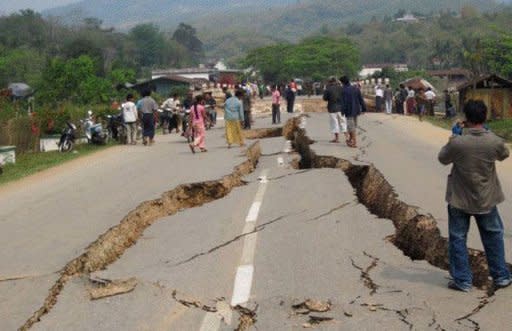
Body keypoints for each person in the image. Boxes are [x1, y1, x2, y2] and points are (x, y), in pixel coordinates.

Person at [438, 100, 511, 292]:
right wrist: (487, 132)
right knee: (493, 236)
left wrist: (454, 137)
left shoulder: (458, 142)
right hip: (486, 199)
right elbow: (504, 154)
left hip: (459, 199)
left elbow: (442, 159)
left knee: (458, 238)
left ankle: (462, 280)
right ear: (484, 116)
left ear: (465, 118)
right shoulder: (493, 141)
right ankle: (501, 276)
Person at [340, 76, 366, 148]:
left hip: (349, 111)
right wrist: (364, 108)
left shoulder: (343, 90)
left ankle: (354, 142)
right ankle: (350, 139)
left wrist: (342, 111)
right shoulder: (356, 88)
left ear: (342, 82)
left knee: (351, 127)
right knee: (353, 126)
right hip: (356, 110)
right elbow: (361, 99)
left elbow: (343, 102)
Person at [323, 77, 347, 143]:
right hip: (341, 108)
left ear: (329, 82)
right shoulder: (341, 88)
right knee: (343, 122)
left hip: (332, 108)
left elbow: (325, 98)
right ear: (336, 81)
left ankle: (337, 138)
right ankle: (347, 137)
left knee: (334, 123)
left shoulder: (328, 89)